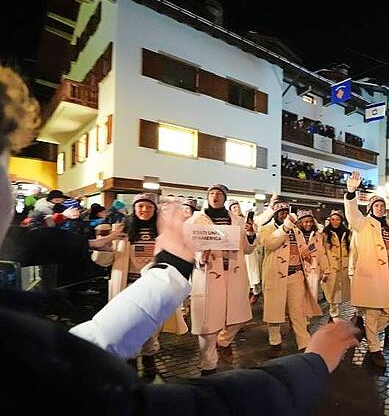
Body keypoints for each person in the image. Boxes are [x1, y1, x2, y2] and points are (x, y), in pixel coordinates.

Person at [0, 67, 360, 414]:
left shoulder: (23, 340)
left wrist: (171, 264)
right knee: (201, 331)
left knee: (221, 324)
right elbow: (193, 406)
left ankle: (189, 351)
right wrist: (310, 366)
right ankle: (199, 360)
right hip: (191, 280)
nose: (11, 180)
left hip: (216, 277)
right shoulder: (187, 221)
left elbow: (82, 349)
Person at [90, 193, 187, 378]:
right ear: (134, 209)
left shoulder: (163, 232)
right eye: (140, 206)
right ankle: (131, 363)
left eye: (149, 207)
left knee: (152, 326)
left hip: (153, 288)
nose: (144, 210)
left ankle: (149, 358)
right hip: (127, 287)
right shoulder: (121, 230)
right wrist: (105, 244)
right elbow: (105, 261)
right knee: (128, 325)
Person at [188, 184, 256, 375]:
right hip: (210, 274)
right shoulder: (197, 220)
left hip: (233, 273)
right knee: (208, 324)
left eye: (219, 194)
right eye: (212, 193)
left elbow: (248, 249)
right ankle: (208, 365)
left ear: (225, 198)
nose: (215, 196)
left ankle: (224, 341)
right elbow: (189, 245)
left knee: (238, 317)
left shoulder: (237, 220)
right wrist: (200, 254)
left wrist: (250, 235)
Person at [344, 171, 389, 369]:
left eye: (382, 205)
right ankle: (375, 349)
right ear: (371, 208)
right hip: (372, 278)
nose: (380, 208)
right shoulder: (363, 224)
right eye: (376, 205)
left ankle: (366, 331)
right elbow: (352, 214)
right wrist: (351, 192)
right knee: (372, 314)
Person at [258, 203, 324, 354]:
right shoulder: (266, 229)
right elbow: (270, 244)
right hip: (276, 276)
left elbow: (301, 247)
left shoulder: (296, 230)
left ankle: (304, 342)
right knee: (275, 311)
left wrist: (307, 253)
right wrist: (284, 228)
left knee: (298, 311)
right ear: (275, 214)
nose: (284, 215)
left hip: (296, 275)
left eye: (285, 212)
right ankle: (275, 342)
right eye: (280, 212)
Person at [321, 209, 351, 322]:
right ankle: (334, 314)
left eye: (337, 219)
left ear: (341, 220)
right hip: (330, 268)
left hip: (344, 268)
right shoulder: (325, 234)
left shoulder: (347, 233)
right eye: (332, 219)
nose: (335, 222)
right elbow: (322, 252)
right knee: (331, 291)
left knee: (342, 292)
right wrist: (324, 268)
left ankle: (336, 315)